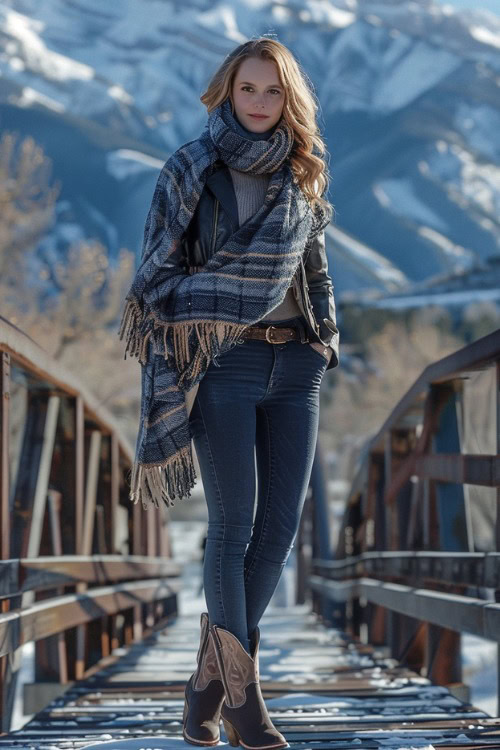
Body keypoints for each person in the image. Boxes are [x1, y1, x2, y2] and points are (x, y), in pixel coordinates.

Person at [119, 36, 339, 750]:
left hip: (294, 367)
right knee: (235, 526)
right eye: (249, 89)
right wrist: (214, 305)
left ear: (289, 100)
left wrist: (324, 338)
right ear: (226, 91)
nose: (260, 104)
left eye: (274, 92)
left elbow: (318, 271)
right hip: (223, 366)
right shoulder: (189, 167)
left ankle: (206, 685)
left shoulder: (302, 173)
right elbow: (154, 275)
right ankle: (246, 706)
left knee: (280, 528)